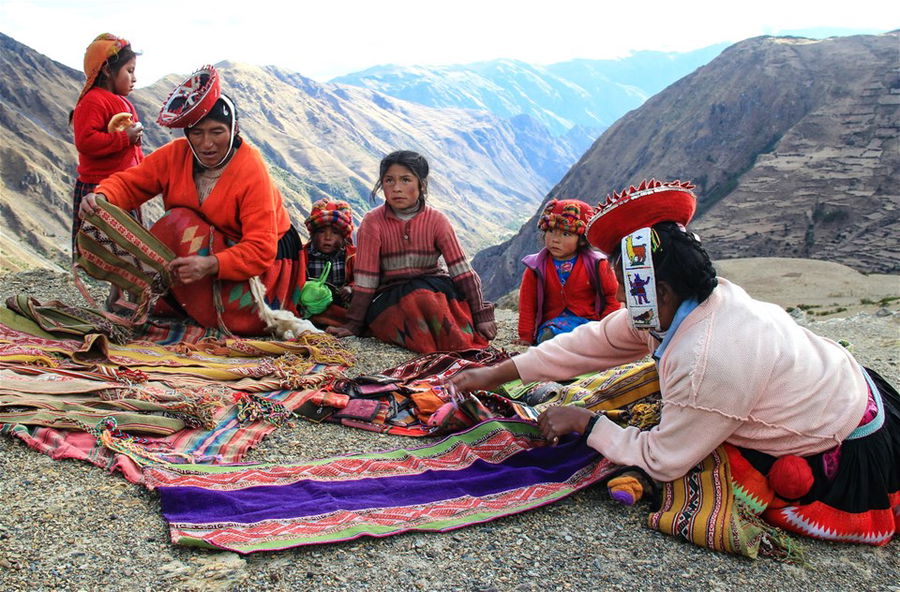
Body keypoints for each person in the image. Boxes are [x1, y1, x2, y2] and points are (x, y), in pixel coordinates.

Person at [452, 179, 899, 547]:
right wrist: (494, 374)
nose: (624, 303)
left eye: (628, 291)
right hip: (843, 382)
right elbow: (590, 343)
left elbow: (664, 460)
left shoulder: (708, 358)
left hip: (842, 437)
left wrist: (587, 423)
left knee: (712, 465)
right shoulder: (690, 300)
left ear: (657, 291)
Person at [79, 65, 306, 336]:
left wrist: (212, 264)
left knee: (180, 223)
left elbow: (260, 249)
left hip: (260, 267)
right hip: (205, 252)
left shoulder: (250, 168)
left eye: (216, 131)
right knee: (173, 223)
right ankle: (182, 300)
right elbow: (130, 183)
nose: (207, 143)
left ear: (234, 131)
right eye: (197, 133)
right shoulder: (176, 155)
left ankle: (201, 304)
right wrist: (102, 197)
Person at [327, 150, 496, 353]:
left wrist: (481, 316)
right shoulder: (372, 223)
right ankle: (434, 345)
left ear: (421, 184)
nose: (396, 188)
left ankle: (446, 346)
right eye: (389, 180)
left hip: (434, 289)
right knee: (414, 304)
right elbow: (366, 279)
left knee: (428, 301)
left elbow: (463, 272)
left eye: (405, 180)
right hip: (390, 295)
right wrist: (353, 324)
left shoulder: (437, 221)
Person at [70, 33, 144, 309]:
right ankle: (120, 297)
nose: (134, 78)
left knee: (127, 245)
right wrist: (125, 139)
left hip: (124, 185)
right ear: (107, 70)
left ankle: (120, 295)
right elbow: (86, 142)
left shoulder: (120, 101)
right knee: (115, 244)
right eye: (129, 71)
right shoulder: (93, 102)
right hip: (100, 188)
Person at [517, 199, 619, 345]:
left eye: (565, 234)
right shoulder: (535, 267)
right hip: (551, 326)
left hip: (589, 324)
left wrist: (605, 328)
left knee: (583, 338)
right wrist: (525, 336)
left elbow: (613, 297)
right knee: (552, 336)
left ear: (583, 240)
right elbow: (527, 303)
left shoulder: (598, 264)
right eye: (551, 231)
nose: (555, 240)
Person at [301, 198, 356, 327]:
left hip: (342, 305)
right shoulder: (303, 255)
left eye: (335, 233)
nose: (328, 237)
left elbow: (364, 279)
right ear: (313, 234)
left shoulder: (352, 256)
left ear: (344, 236)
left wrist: (351, 288)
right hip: (310, 307)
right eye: (321, 232)